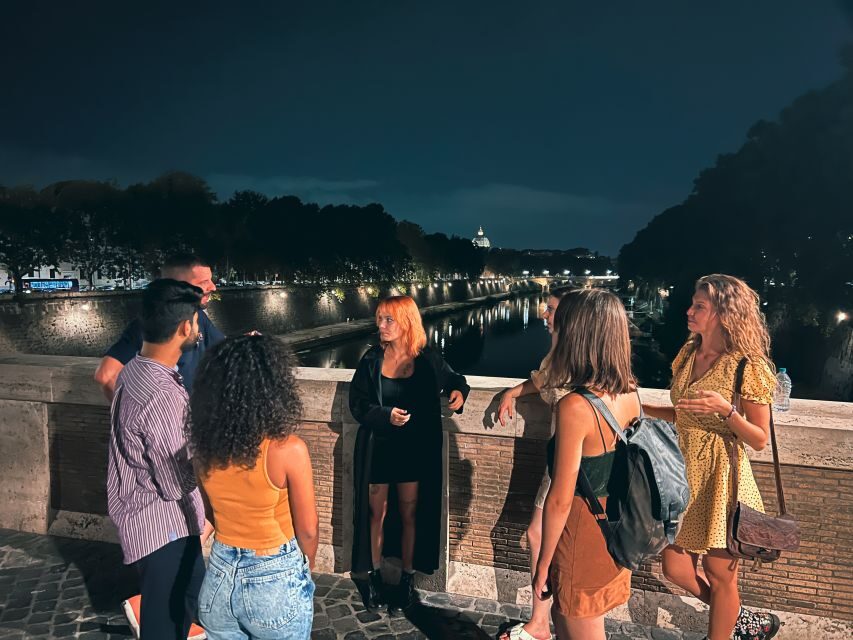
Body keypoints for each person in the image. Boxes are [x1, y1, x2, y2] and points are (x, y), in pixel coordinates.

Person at [643, 274, 781, 640]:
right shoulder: (689, 353)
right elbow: (684, 413)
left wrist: (727, 411)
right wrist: (640, 409)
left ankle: (722, 630)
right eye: (692, 303)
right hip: (683, 472)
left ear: (724, 312)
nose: (689, 310)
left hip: (722, 478)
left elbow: (760, 439)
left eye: (699, 306)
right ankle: (738, 619)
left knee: (721, 575)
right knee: (675, 568)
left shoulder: (746, 365)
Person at [188, 335, 318, 640]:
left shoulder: (205, 448)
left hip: (219, 576)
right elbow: (308, 529)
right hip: (273, 577)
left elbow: (210, 516)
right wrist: (302, 570)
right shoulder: (287, 450)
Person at [349, 295, 470, 612]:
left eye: (388, 319)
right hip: (379, 449)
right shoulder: (371, 359)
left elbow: (454, 377)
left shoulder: (427, 358)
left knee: (410, 515)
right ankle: (374, 578)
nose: (382, 326)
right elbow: (358, 403)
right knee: (376, 515)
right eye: (379, 319)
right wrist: (384, 416)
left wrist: (459, 391)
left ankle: (406, 580)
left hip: (414, 451)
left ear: (406, 322)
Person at [106, 279, 211, 640]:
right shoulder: (164, 395)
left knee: (179, 607)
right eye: (197, 320)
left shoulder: (133, 369)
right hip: (166, 529)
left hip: (143, 520)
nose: (199, 327)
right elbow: (174, 483)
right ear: (185, 327)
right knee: (168, 623)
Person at [531, 288, 639, 640]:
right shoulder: (629, 393)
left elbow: (560, 500)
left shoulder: (576, 407)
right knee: (588, 625)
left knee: (577, 627)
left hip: (581, 531)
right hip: (615, 523)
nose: (555, 327)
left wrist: (543, 564)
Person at [496, 288, 572, 640]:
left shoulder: (577, 356)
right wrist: (514, 391)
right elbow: (542, 382)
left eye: (551, 309)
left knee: (540, 535)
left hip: (570, 462)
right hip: (557, 457)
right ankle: (542, 620)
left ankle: (542, 623)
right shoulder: (560, 353)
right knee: (542, 536)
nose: (544, 314)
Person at [95, 253, 223, 399]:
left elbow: (223, 347)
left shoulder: (198, 315)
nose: (213, 287)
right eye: (203, 282)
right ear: (177, 286)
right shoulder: (150, 325)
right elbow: (106, 375)